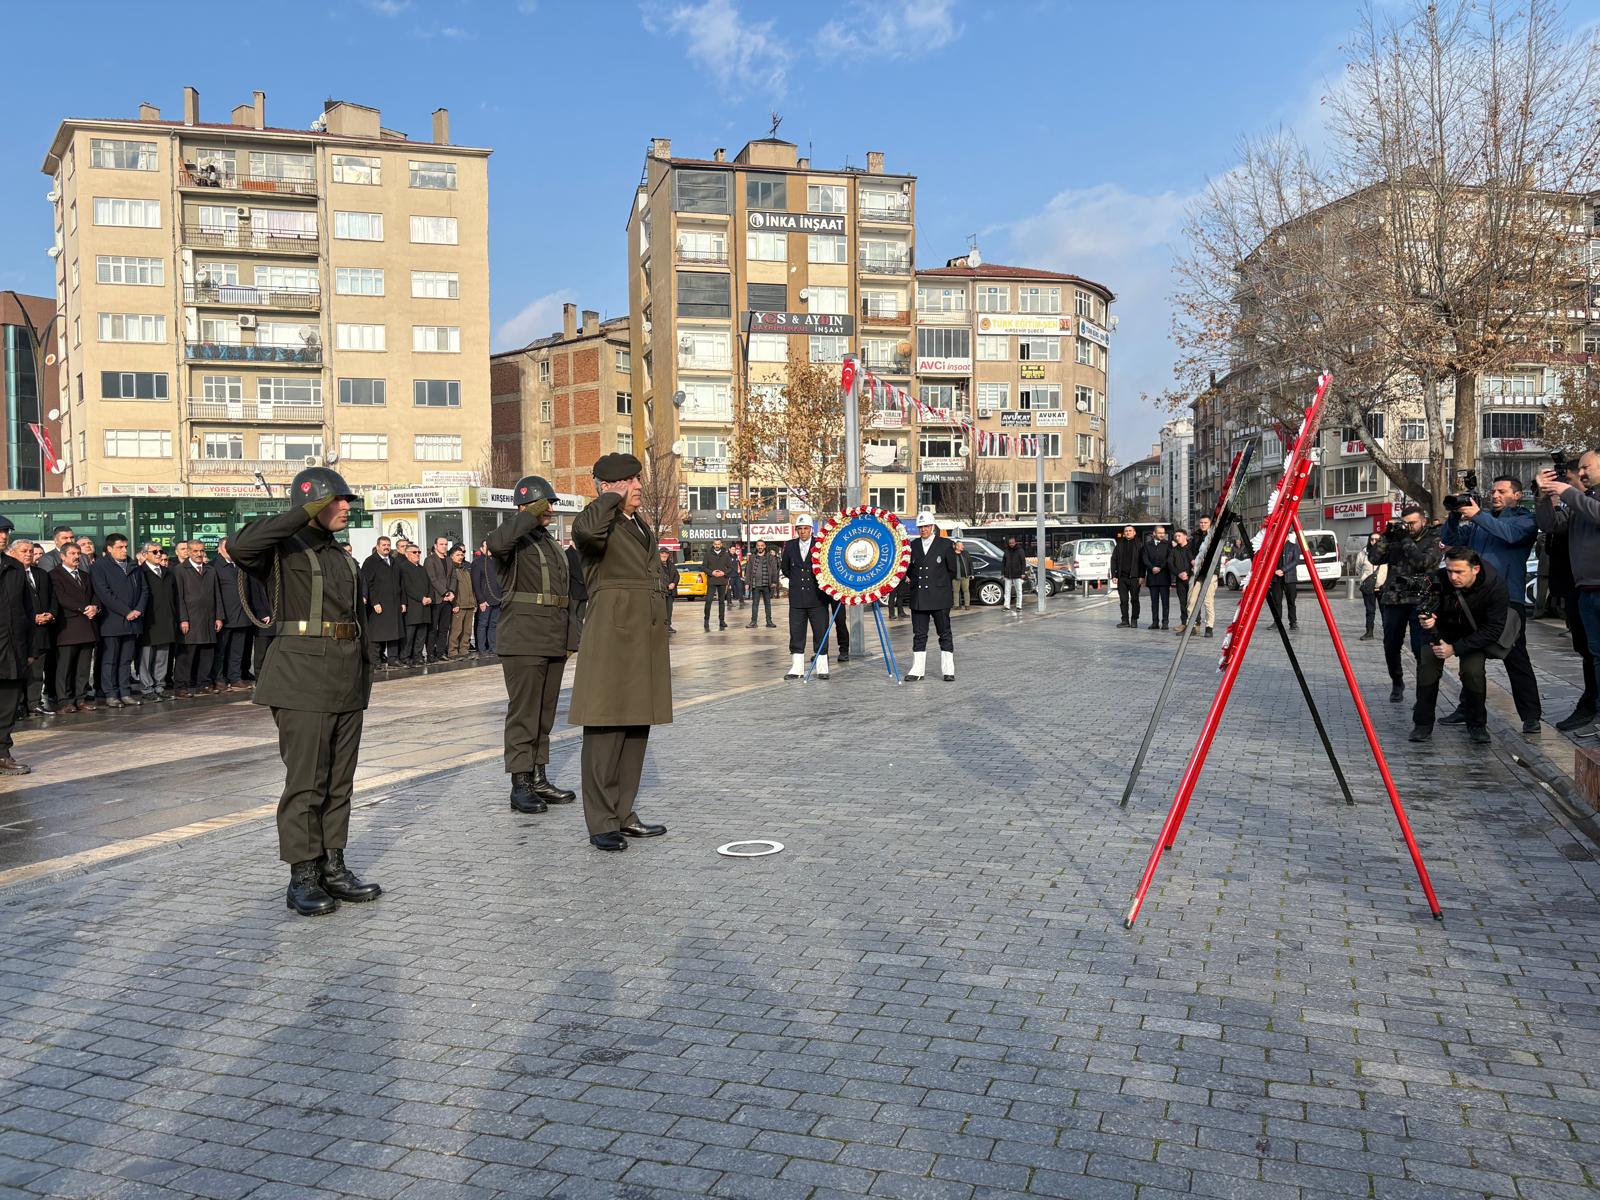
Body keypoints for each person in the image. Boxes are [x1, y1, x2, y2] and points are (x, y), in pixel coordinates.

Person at [231, 466, 382, 917]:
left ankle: (333, 866)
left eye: (345, 500)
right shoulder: (282, 547)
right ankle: (303, 875)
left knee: (340, 781)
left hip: (344, 675)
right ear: (311, 503)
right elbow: (240, 545)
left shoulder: (339, 554)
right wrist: (301, 512)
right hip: (300, 675)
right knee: (306, 782)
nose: (345, 507)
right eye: (335, 500)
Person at [569, 453, 671, 852]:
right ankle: (600, 821)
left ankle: (623, 813)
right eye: (631, 481)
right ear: (611, 486)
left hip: (641, 638)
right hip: (612, 637)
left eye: (638, 479)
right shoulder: (596, 520)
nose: (640, 487)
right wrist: (609, 496)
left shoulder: (636, 523)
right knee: (605, 728)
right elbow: (588, 533)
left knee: (634, 726)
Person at [487, 474, 580, 814]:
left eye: (550, 505)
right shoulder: (512, 539)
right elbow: (496, 543)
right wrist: (528, 513)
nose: (549, 511)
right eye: (544, 505)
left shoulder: (549, 542)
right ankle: (520, 784)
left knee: (543, 715)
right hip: (524, 637)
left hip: (552, 636)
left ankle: (539, 776)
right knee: (524, 714)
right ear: (525, 507)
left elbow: (567, 593)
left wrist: (571, 637)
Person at [1443, 476, 1541, 734]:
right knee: (1470, 657)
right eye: (1493, 491)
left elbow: (1509, 536)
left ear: (1517, 495)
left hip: (1509, 599)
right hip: (1475, 599)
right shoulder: (1479, 522)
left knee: (1516, 658)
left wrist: (1477, 514)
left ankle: (1531, 716)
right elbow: (1451, 540)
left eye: (1502, 491)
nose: (1495, 495)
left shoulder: (1526, 519)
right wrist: (1454, 515)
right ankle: (1468, 709)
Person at [1410, 547, 1508, 745]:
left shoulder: (1495, 586)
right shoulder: (1438, 578)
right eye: (1449, 571)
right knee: (1427, 669)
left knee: (1473, 673)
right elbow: (1425, 603)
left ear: (1476, 569)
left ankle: (1477, 725)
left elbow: (1493, 629)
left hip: (1474, 635)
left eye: (1459, 572)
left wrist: (1455, 649)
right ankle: (1422, 725)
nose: (1453, 577)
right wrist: (1428, 619)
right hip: (1440, 632)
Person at [1538, 453, 1600, 731]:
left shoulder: (1584, 500)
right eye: (1581, 468)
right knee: (1594, 655)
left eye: (1586, 467)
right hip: (1585, 590)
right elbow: (1551, 525)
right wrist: (1543, 498)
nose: (1581, 472)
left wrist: (1568, 491)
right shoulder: (1581, 502)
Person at [1367, 504, 1440, 703]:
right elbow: (1374, 557)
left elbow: (1423, 563)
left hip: (1421, 598)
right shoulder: (1398, 538)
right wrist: (1387, 536)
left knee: (1419, 647)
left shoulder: (1433, 538)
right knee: (1391, 645)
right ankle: (1397, 681)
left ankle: (1422, 690)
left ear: (1423, 521)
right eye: (1405, 523)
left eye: (1413, 523)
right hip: (1395, 598)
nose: (1408, 527)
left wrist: (1405, 540)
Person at [89, 532, 148, 708]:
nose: (124, 550)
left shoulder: (133, 564)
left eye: (125, 547)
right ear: (109, 549)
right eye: (120, 547)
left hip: (133, 621)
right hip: (112, 621)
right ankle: (110, 693)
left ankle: (125, 691)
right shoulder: (99, 566)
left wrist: (138, 609)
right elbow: (104, 593)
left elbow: (144, 589)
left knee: (125, 660)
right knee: (110, 659)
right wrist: (126, 611)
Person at [906, 513, 957, 682]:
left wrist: (939, 585)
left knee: (944, 633)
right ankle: (917, 669)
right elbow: (909, 571)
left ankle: (948, 669)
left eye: (926, 526)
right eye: (921, 527)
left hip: (939, 596)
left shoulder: (945, 544)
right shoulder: (913, 545)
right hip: (919, 597)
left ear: (933, 527)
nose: (923, 530)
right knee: (919, 634)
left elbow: (952, 570)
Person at [50, 541, 99, 713]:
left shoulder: (85, 575)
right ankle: (65, 701)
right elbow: (61, 598)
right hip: (68, 628)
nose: (77, 556)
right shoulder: (55, 575)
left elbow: (95, 595)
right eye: (72, 553)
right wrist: (82, 608)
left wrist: (95, 607)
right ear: (62, 556)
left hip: (87, 627)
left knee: (83, 667)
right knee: (65, 668)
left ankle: (80, 698)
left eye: (78, 553)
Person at [0, 517, 32, 773]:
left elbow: (27, 610)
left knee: (9, 705)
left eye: (5, 532)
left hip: (13, 648)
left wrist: (31, 648)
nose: (2, 536)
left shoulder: (15, 567)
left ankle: (2, 753)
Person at [780, 513, 830, 680]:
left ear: (811, 529)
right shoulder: (790, 546)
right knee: (796, 632)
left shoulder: (820, 544)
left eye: (805, 529)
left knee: (820, 632)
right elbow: (786, 568)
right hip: (797, 598)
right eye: (799, 529)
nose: (802, 532)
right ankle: (797, 667)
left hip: (817, 597)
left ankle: (822, 667)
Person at [174, 541, 223, 698]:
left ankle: (204, 684)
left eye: (201, 551)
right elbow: (179, 597)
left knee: (207, 653)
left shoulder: (211, 570)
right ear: (188, 552)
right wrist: (183, 619)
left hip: (208, 618)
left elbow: (217, 595)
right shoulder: (180, 570)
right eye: (195, 551)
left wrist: (219, 617)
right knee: (187, 654)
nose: (199, 554)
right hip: (190, 619)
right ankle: (182, 686)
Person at [15, 541, 55, 716]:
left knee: (37, 670)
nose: (29, 554)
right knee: (19, 670)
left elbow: (53, 596)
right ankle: (19, 704)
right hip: (20, 630)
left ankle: (34, 702)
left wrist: (51, 614)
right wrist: (32, 617)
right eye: (24, 551)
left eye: (31, 551)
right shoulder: (11, 575)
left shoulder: (41, 574)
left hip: (41, 630)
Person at [211, 538, 254, 692]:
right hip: (225, 617)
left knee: (237, 651)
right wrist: (218, 615)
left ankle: (235, 677)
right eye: (227, 548)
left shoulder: (241, 565)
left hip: (242, 615)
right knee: (221, 651)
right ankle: (219, 678)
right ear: (220, 549)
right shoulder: (214, 566)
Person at [137, 543, 178, 701]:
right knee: (146, 656)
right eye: (154, 552)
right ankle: (147, 688)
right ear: (145, 554)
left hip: (166, 619)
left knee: (162, 655)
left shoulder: (168, 573)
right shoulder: (140, 572)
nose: (159, 554)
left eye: (161, 551)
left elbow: (174, 597)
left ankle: (159, 686)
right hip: (148, 620)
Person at [360, 536, 405, 669]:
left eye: (388, 544)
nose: (386, 547)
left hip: (394, 603)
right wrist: (374, 602)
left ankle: (393, 659)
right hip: (379, 604)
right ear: (378, 546)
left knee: (394, 633)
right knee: (377, 634)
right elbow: (367, 583)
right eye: (384, 545)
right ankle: (375, 661)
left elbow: (400, 583)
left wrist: (403, 601)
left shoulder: (393, 561)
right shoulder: (371, 561)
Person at [399, 543, 432, 665]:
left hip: (425, 606)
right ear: (407, 554)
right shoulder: (403, 568)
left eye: (419, 552)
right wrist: (421, 598)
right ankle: (405, 656)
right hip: (413, 606)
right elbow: (407, 587)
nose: (417, 554)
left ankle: (417, 656)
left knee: (421, 634)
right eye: (414, 552)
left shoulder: (422, 568)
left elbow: (429, 585)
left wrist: (430, 597)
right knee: (410, 634)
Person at [424, 536, 456, 661]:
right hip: (437, 599)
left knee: (444, 628)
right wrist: (445, 593)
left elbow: (453, 577)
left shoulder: (449, 560)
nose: (444, 546)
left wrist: (451, 592)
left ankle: (440, 652)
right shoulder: (429, 560)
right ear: (435, 545)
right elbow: (433, 579)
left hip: (448, 600)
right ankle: (430, 653)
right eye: (441, 544)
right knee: (433, 628)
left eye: (446, 544)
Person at [470, 538, 502, 656]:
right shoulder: (477, 562)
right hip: (485, 600)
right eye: (486, 546)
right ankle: (482, 648)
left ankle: (492, 647)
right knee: (483, 625)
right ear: (481, 549)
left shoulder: (496, 561)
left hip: (497, 599)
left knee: (494, 624)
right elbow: (476, 583)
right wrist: (481, 600)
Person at [1190, 514, 1218, 636]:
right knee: (1192, 601)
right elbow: (1190, 552)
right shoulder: (1195, 536)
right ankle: (1192, 626)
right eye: (1201, 522)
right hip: (1196, 573)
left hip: (1210, 573)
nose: (1203, 525)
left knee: (1208, 601)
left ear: (1210, 524)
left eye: (1205, 523)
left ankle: (1209, 627)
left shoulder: (1215, 537)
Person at [1142, 525, 1173, 630]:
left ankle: (1165, 623)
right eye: (1159, 533)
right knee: (1154, 602)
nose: (1162, 535)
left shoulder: (1168, 544)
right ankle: (1155, 622)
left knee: (1165, 602)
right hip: (1152, 577)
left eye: (1163, 533)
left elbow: (1169, 558)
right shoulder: (1147, 545)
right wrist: (1152, 568)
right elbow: (1145, 559)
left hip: (1164, 577)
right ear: (1154, 534)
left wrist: (1160, 567)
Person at [447, 544, 476, 658]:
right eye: (458, 555)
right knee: (456, 630)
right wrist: (454, 604)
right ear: (452, 557)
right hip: (459, 605)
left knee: (467, 631)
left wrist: (474, 603)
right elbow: (452, 589)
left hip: (469, 604)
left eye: (462, 554)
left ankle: (464, 650)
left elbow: (471, 587)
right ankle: (452, 652)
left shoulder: (466, 569)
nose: (461, 557)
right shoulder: (451, 570)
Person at [744, 539, 780, 628]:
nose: (760, 547)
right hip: (755, 584)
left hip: (767, 584)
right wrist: (747, 583)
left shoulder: (770, 557)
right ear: (756, 546)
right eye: (758, 545)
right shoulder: (752, 557)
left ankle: (769, 621)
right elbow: (748, 571)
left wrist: (774, 581)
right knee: (754, 604)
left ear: (764, 546)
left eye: (761, 545)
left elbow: (775, 570)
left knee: (767, 604)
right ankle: (753, 622)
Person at [1111, 525, 1142, 628]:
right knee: (1123, 600)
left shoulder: (1139, 545)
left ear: (1134, 532)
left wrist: (1142, 576)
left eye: (1130, 531)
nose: (1128, 532)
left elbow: (1142, 562)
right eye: (1126, 531)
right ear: (1124, 533)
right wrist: (1114, 575)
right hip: (1122, 578)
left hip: (1135, 577)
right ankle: (1125, 620)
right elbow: (1114, 560)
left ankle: (1134, 619)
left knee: (1134, 599)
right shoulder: (1119, 545)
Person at [1357, 533, 1384, 641]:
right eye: (1372, 539)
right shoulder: (1363, 553)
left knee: (1385, 611)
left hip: (1382, 585)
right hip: (1368, 585)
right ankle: (1369, 632)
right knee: (1370, 610)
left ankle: (1388, 632)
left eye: (1377, 539)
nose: (1374, 541)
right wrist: (1364, 577)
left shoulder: (1386, 552)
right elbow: (1358, 567)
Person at [1270, 536, 1300, 630]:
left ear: (1287, 536)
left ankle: (1293, 622)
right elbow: (1269, 560)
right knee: (1276, 602)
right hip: (1276, 579)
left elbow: (1295, 561)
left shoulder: (1293, 547)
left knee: (1291, 601)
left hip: (1290, 579)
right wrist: (1275, 571)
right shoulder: (1273, 547)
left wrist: (1283, 570)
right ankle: (1277, 623)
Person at [703, 537, 733, 631]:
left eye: (718, 544)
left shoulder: (726, 555)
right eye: (715, 544)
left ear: (721, 544)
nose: (717, 546)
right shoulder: (708, 554)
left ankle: (722, 620)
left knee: (721, 602)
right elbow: (703, 567)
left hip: (722, 580)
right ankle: (706, 620)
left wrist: (724, 573)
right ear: (713, 544)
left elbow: (731, 568)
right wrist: (711, 572)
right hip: (712, 580)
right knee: (708, 600)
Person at [1000, 537, 1026, 611]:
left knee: (1019, 590)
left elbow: (1023, 562)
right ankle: (1006, 606)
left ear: (1015, 542)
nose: (1011, 544)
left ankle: (1019, 606)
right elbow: (1003, 563)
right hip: (1007, 574)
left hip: (1017, 574)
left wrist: (1023, 573)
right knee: (1007, 591)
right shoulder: (1006, 551)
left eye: (1012, 543)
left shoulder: (1020, 551)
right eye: (1010, 543)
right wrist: (1002, 573)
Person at [659, 548, 679, 633]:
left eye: (666, 554)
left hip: (670, 592)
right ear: (659, 554)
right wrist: (667, 585)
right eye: (662, 553)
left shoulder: (671, 564)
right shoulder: (656, 565)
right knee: (660, 610)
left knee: (669, 610)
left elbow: (677, 576)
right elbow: (657, 578)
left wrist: (674, 583)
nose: (664, 555)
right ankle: (661, 627)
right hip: (660, 592)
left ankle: (668, 626)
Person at [952, 540, 972, 609]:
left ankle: (967, 605)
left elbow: (970, 564)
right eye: (961, 545)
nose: (963, 547)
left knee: (966, 591)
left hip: (965, 576)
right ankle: (956, 605)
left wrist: (972, 574)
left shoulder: (966, 553)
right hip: (955, 577)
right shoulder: (951, 554)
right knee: (956, 591)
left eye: (962, 545)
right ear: (957, 547)